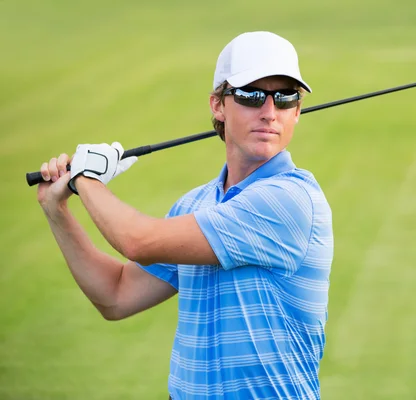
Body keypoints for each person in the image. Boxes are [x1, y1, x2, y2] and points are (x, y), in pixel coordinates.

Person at [36, 31, 334, 400]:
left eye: (285, 97)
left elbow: (137, 241)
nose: (270, 112)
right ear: (217, 105)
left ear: (298, 110)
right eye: (252, 95)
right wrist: (57, 210)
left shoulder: (290, 200)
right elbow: (115, 296)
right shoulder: (197, 205)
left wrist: (85, 177)